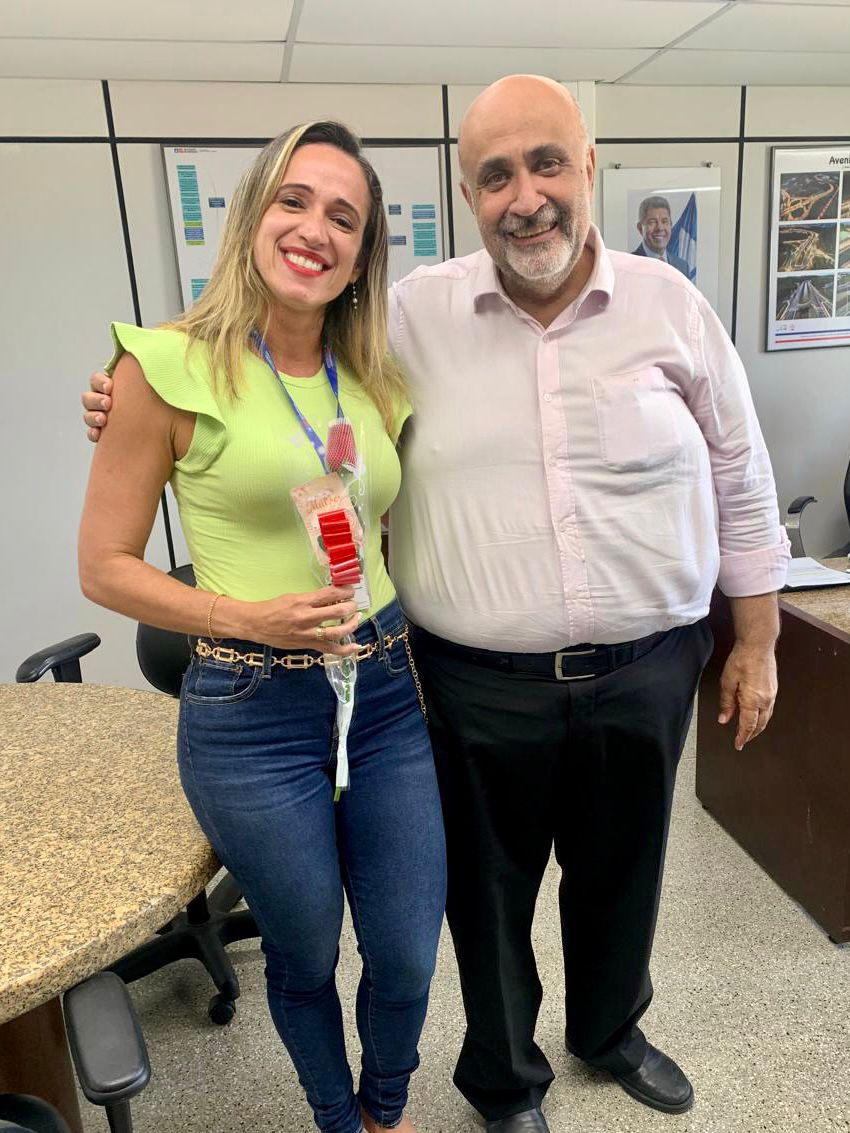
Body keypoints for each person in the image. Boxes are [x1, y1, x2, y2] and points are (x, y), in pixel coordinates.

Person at [82, 77, 789, 1133]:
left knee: (624, 872)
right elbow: (241, 394)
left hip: (642, 666)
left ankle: (610, 1029)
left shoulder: (665, 306)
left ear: (588, 167)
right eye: (496, 176)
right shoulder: (414, 316)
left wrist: (758, 638)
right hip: (466, 680)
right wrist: (124, 394)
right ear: (468, 194)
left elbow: (741, 470)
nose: (525, 196)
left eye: (546, 164)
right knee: (482, 897)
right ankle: (500, 1081)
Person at [78, 121, 446, 1133]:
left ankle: (386, 1107)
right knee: (304, 949)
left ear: (362, 255)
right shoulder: (163, 366)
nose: (314, 228)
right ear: (250, 216)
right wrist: (248, 615)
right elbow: (102, 566)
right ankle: (338, 1118)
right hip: (250, 713)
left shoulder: (377, 377)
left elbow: (367, 518)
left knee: (408, 950)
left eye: (344, 217)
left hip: (384, 690)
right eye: (294, 200)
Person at [631, 194, 690, 277]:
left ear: (670, 225)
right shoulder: (628, 265)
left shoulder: (682, 266)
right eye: (652, 222)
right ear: (640, 228)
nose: (660, 228)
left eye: (664, 221)